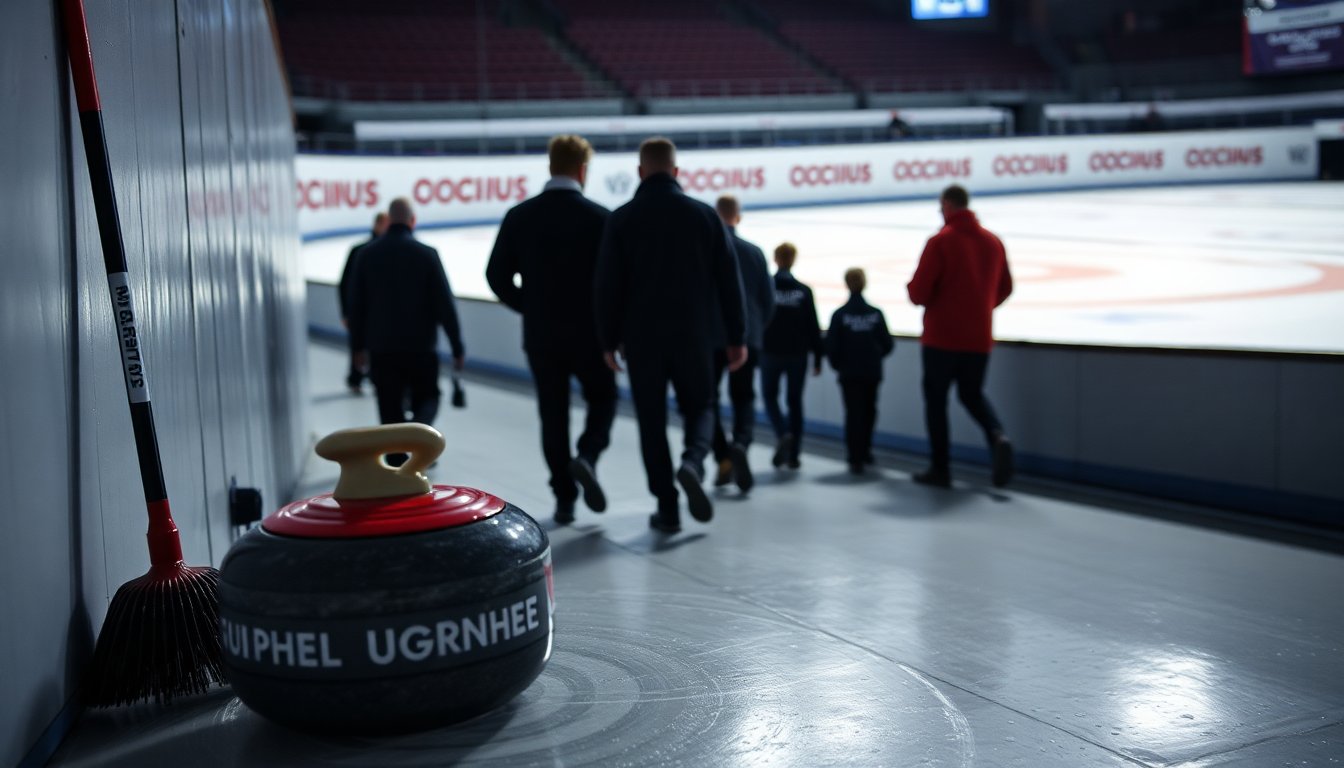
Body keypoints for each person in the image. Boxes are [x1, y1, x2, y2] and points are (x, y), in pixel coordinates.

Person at [595, 136, 747, 534]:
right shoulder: (704, 216)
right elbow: (730, 283)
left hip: (641, 340)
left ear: (640, 172)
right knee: (701, 405)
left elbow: (607, 286)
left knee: (651, 420)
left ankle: (668, 507)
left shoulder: (621, 219)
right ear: (677, 172)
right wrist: (737, 336)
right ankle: (693, 462)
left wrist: (608, 341)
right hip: (695, 335)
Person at [486, 134, 616, 525]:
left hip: (542, 335)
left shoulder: (521, 215)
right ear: (582, 170)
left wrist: (529, 307)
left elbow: (496, 275)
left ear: (550, 166)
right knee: (604, 400)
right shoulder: (600, 218)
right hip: (591, 335)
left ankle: (564, 498)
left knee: (553, 415)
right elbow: (615, 282)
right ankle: (588, 455)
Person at [906, 184, 1014, 489]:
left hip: (941, 338)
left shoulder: (940, 242)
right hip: (978, 337)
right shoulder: (993, 243)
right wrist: (980, 309)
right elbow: (1005, 287)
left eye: (941, 207)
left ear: (949, 206)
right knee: (972, 394)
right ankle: (997, 434)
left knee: (936, 403)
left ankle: (940, 468)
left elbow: (919, 292)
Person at [347, 197, 465, 463]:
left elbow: (357, 307)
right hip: (421, 347)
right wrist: (457, 346)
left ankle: (398, 465)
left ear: (388, 221)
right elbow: (445, 305)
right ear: (413, 221)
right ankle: (419, 435)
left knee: (389, 408)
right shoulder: (427, 254)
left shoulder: (367, 255)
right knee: (429, 397)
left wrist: (357, 348)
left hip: (382, 348)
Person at [710, 195, 775, 494]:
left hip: (712, 339)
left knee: (707, 401)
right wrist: (756, 331)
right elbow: (768, 300)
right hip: (749, 337)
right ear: (739, 217)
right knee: (744, 397)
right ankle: (741, 444)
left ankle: (723, 457)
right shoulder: (754, 252)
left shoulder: (705, 252)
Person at [760, 242, 823, 470]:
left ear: (776, 259)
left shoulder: (767, 287)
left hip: (771, 352)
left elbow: (759, 318)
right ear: (793, 260)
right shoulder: (803, 291)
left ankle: (782, 432)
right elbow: (812, 326)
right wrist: (817, 358)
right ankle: (794, 454)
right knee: (794, 402)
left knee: (769, 396)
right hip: (797, 355)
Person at [825, 268, 894, 475]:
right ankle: (865, 451)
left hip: (849, 373)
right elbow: (887, 343)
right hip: (871, 371)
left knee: (853, 413)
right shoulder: (875, 313)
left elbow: (832, 346)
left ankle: (855, 456)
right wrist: (874, 357)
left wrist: (840, 365)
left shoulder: (840, 315)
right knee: (869, 411)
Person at [338, 211, 388, 394]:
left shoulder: (375, 250)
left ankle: (375, 379)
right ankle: (356, 378)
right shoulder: (360, 250)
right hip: (361, 311)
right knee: (358, 347)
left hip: (374, 313)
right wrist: (345, 312)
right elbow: (345, 284)